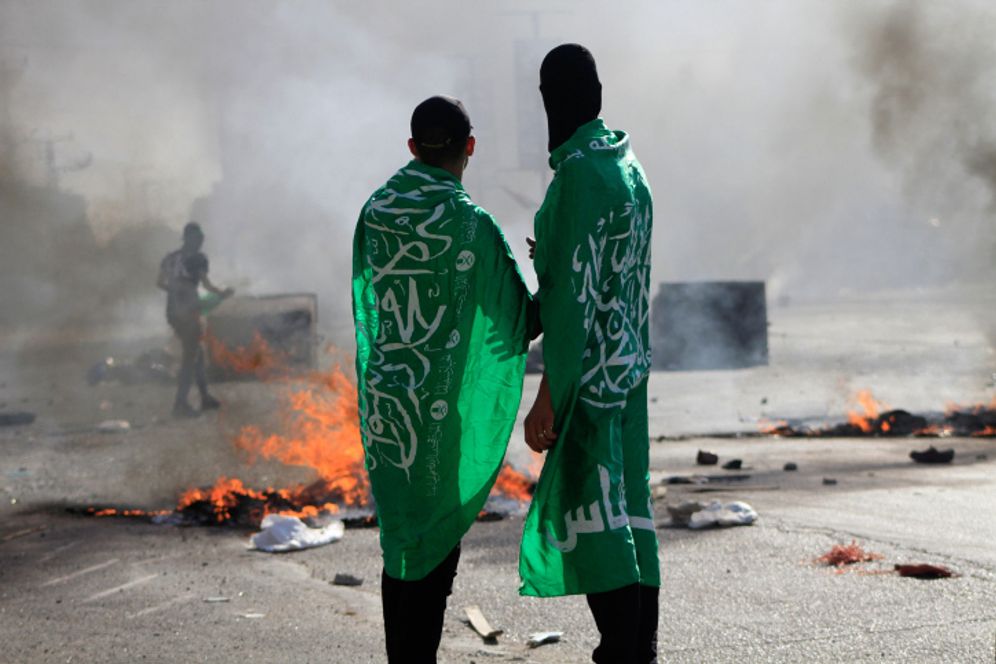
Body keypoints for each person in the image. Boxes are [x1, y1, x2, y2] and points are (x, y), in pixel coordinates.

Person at [352, 96, 534, 663]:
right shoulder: (471, 225)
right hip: (435, 415)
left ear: (412, 148)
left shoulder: (375, 210)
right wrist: (552, 268)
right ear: (469, 148)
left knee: (400, 539)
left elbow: (367, 304)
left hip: (386, 408)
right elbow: (522, 322)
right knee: (432, 541)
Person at [518, 44, 661, 663]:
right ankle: (642, 647)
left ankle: (622, 651)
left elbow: (573, 303)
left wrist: (547, 397)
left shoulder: (578, 175)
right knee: (631, 511)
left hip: (592, 383)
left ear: (552, 101)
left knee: (597, 519)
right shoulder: (626, 163)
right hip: (630, 368)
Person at [157, 222, 233, 418]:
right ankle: (180, 404)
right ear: (190, 239)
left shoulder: (170, 258)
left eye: (201, 239)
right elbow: (206, 285)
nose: (200, 243)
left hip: (173, 312)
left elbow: (159, 283)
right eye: (198, 239)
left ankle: (205, 397)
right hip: (189, 312)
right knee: (190, 358)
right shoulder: (198, 259)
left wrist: (175, 291)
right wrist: (222, 293)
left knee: (196, 353)